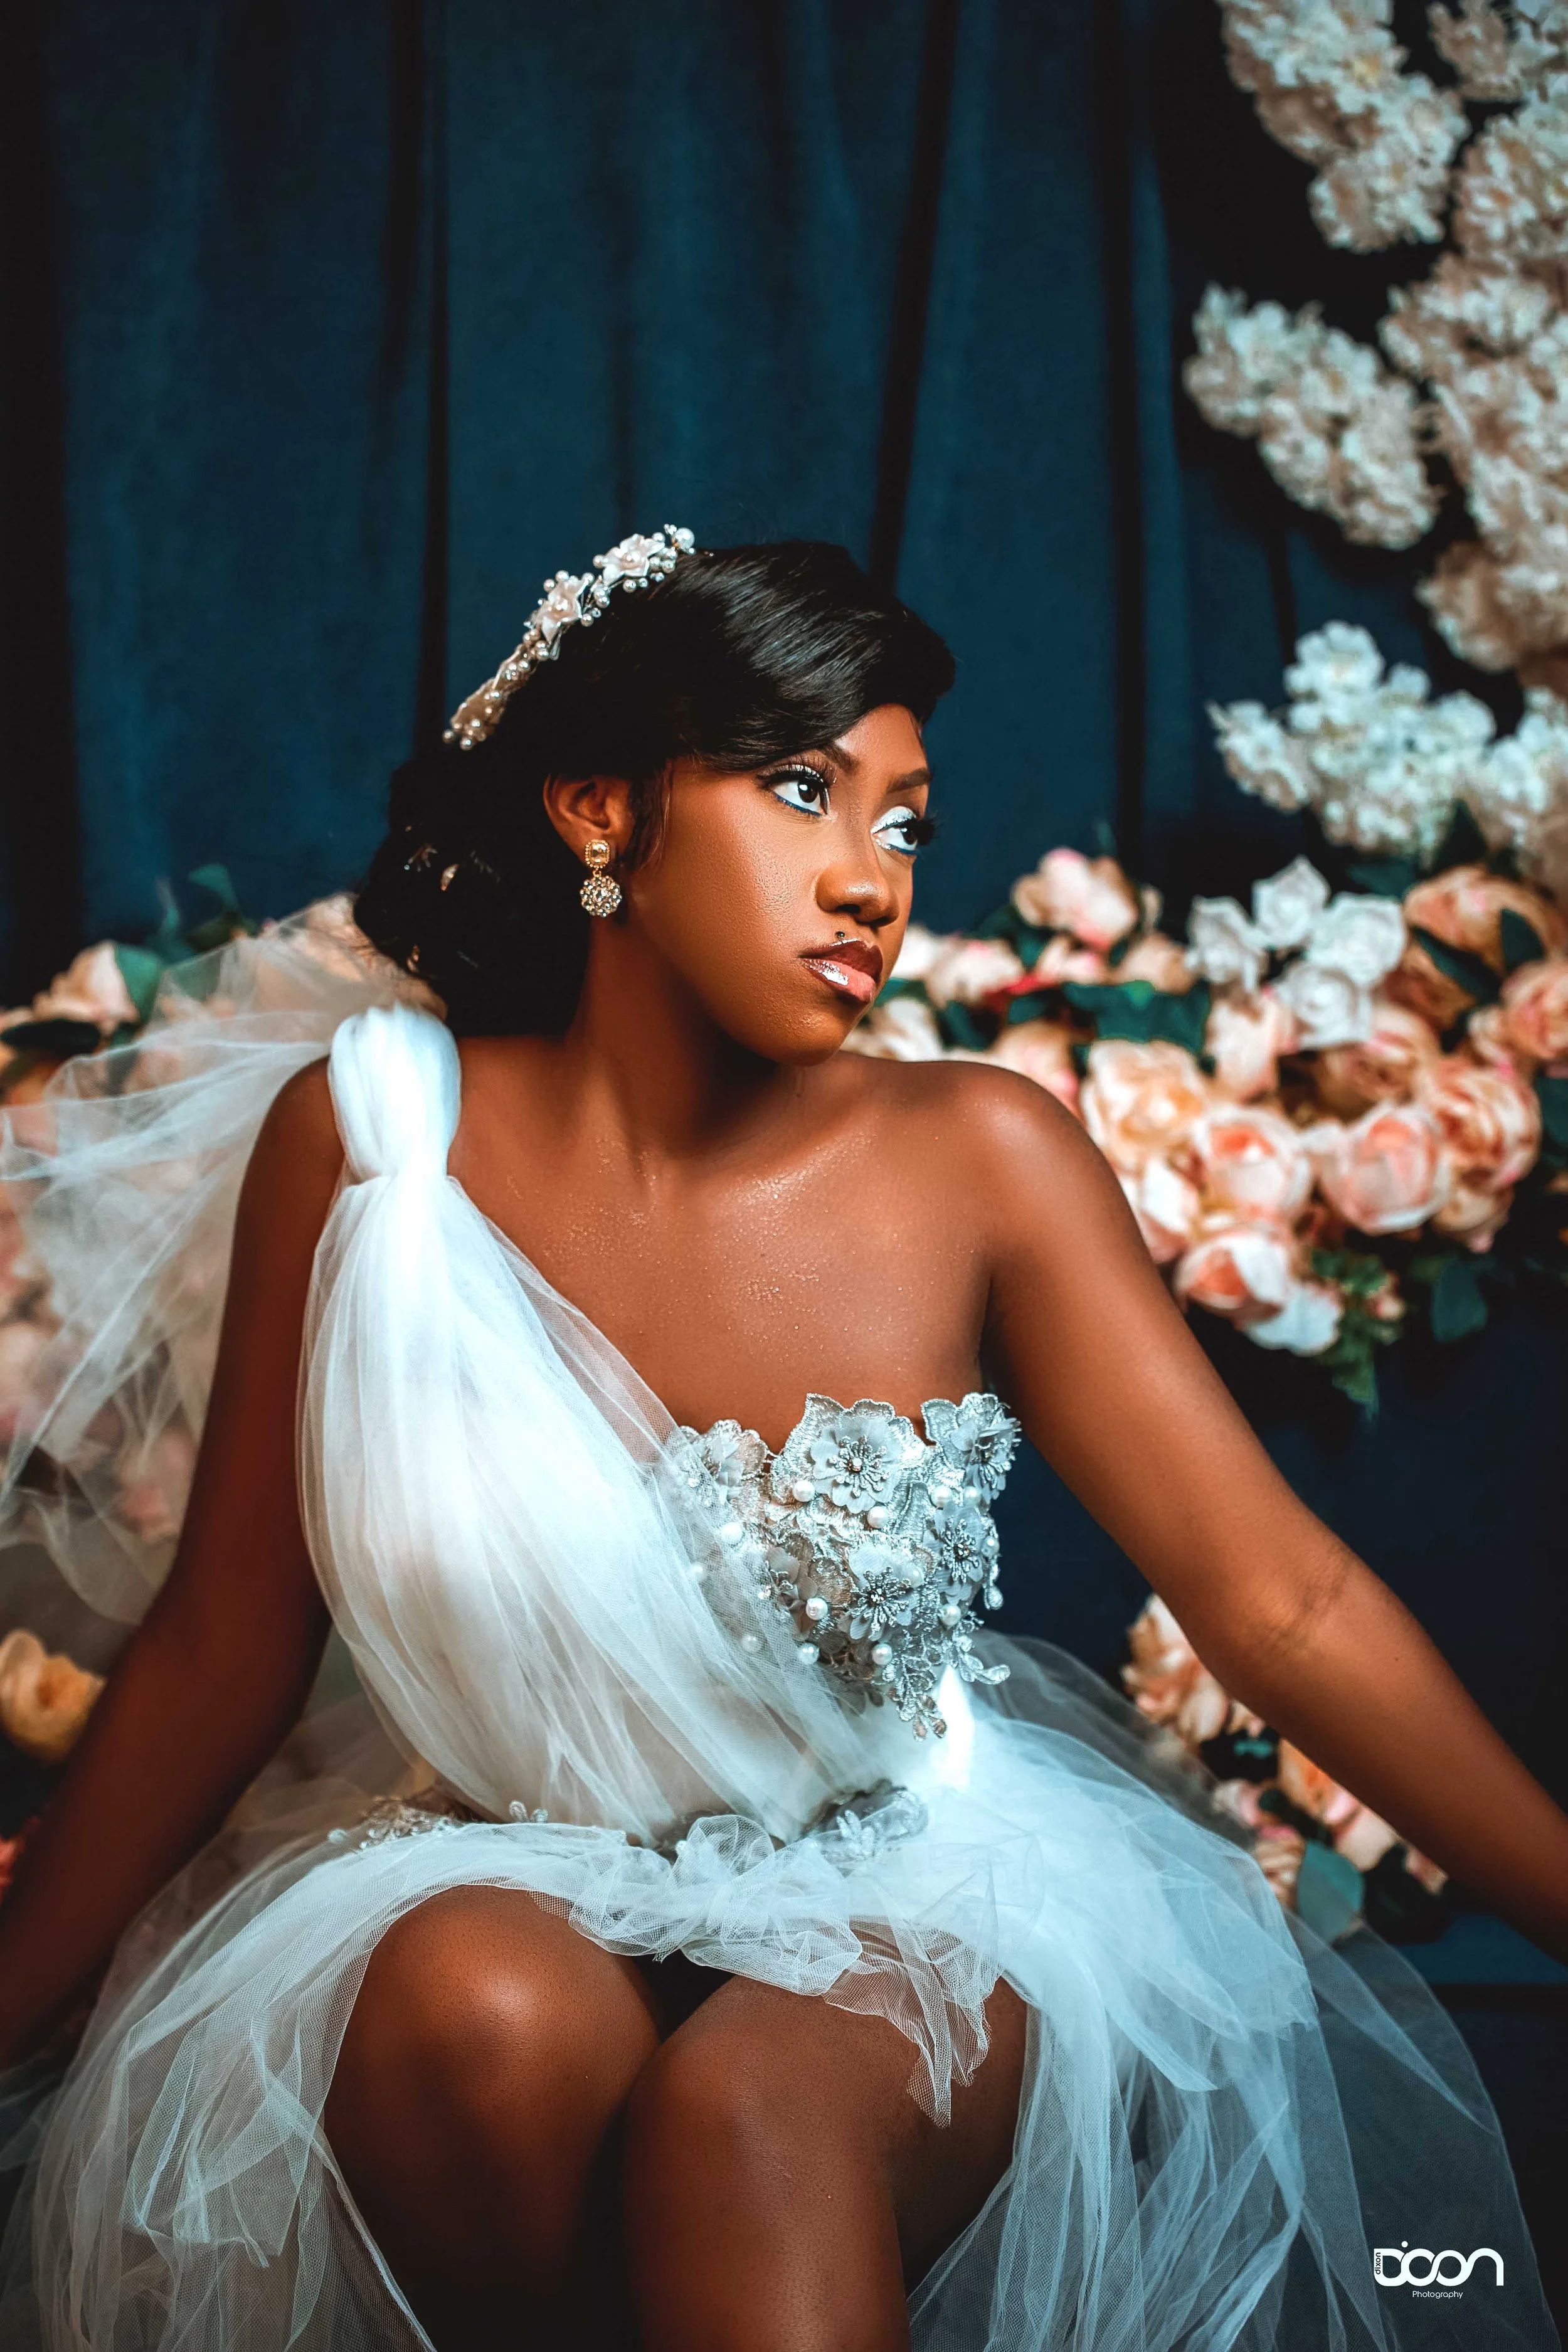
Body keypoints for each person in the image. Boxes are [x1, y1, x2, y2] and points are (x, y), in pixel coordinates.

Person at [0, 532, 1562, 2352]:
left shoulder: (979, 1157)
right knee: (463, 2013)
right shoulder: (366, 1142)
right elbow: (223, 1642)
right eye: (804, 791)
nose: (870, 880)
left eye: (902, 822)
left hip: (920, 1875)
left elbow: (1277, 1596)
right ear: (599, 809)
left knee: (754, 2117)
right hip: (508, 1859)